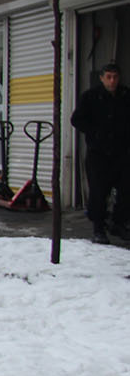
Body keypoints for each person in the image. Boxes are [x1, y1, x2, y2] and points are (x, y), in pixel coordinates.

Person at [71, 62, 130, 244]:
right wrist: (95, 132)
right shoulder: (91, 97)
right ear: (102, 78)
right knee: (98, 191)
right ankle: (98, 227)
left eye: (115, 77)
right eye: (109, 77)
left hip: (122, 152)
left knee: (126, 189)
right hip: (99, 153)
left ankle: (119, 223)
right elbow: (77, 119)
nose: (112, 81)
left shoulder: (125, 96)